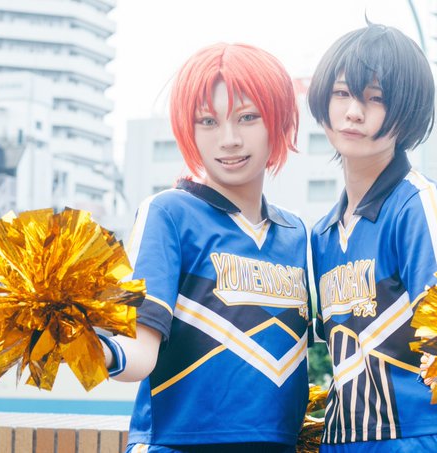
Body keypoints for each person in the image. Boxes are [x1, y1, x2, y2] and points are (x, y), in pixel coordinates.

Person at [99, 42, 312, 453]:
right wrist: (85, 345)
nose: (229, 139)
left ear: (279, 121)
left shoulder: (295, 233)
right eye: (208, 121)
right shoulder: (169, 214)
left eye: (247, 117)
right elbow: (140, 351)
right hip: (177, 444)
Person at [307, 23, 437, 452]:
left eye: (376, 99)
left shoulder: (420, 205)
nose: (354, 112)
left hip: (426, 437)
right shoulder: (323, 233)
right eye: (342, 93)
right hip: (343, 439)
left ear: (406, 114)